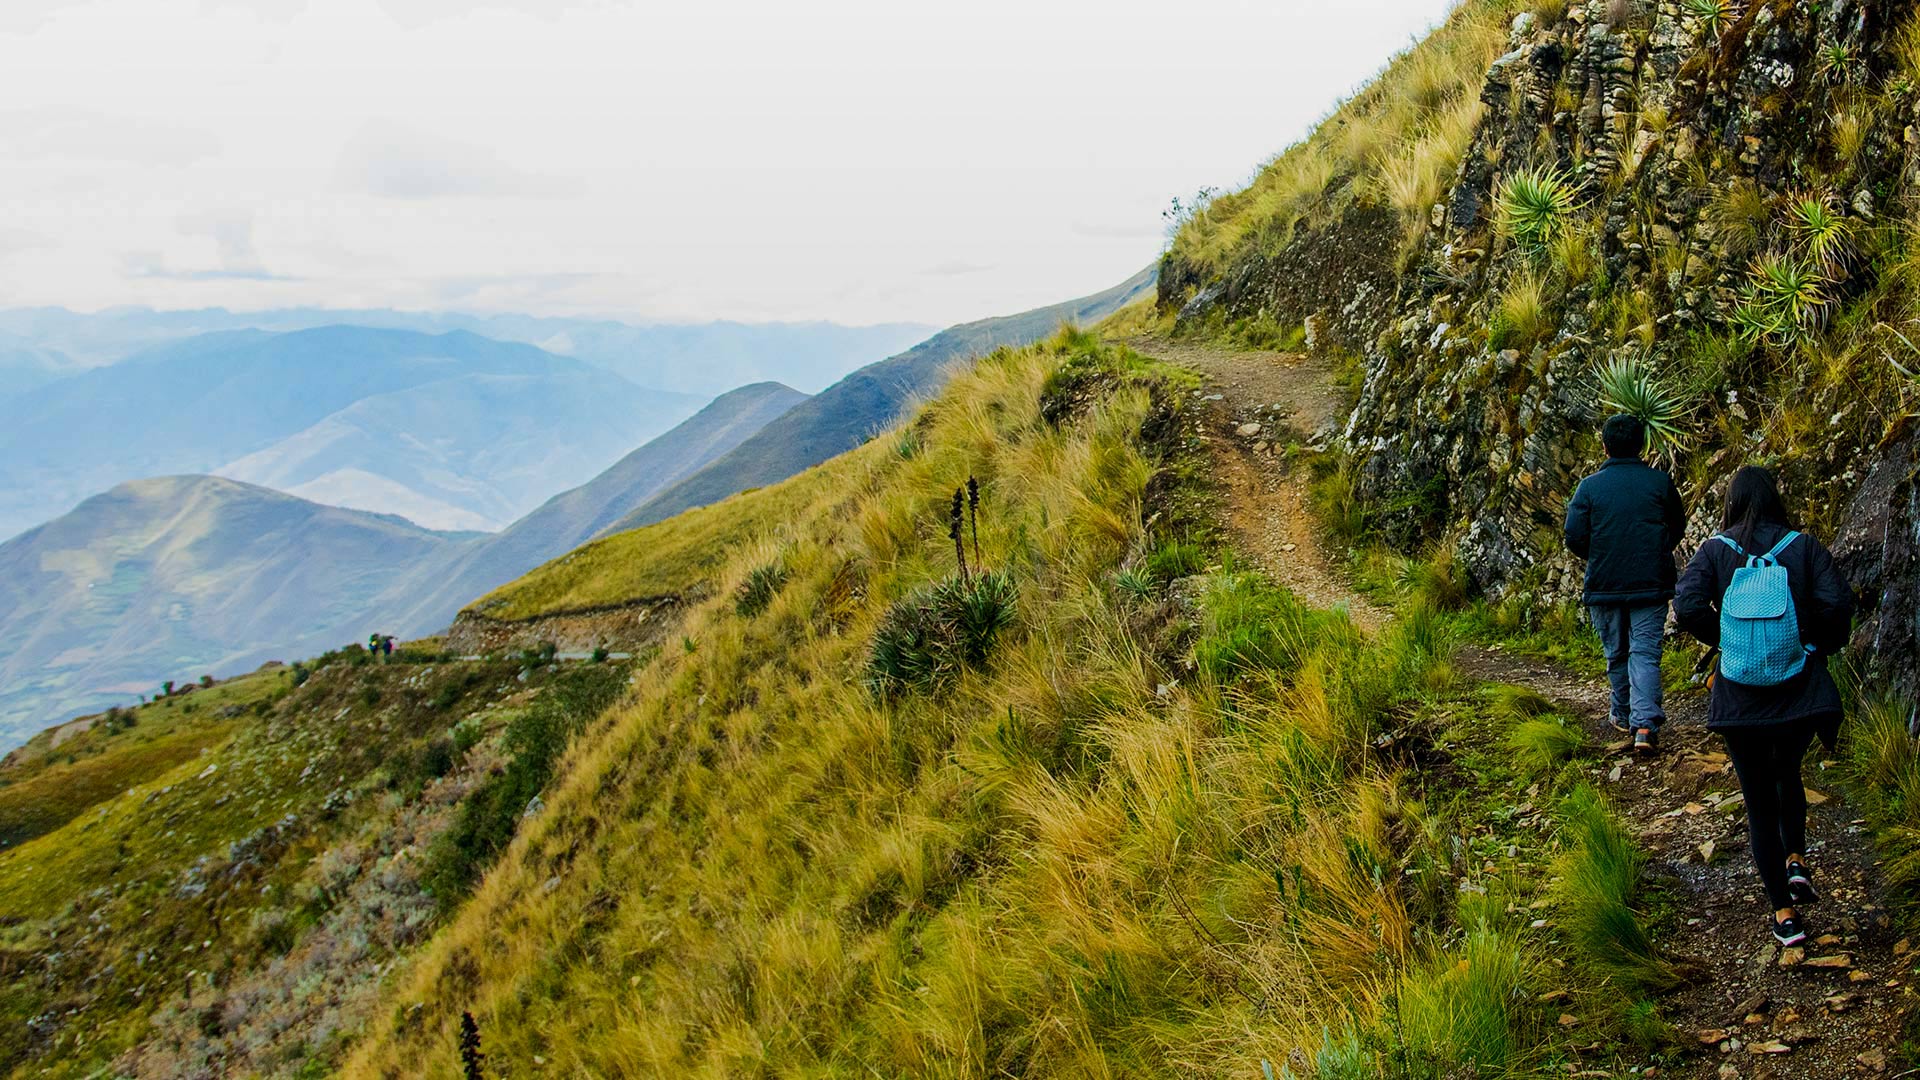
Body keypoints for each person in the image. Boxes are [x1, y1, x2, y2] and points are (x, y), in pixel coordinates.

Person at [1674, 466, 1853, 948]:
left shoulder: (1715, 550)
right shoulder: (1803, 546)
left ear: (1731, 502)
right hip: (1798, 695)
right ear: (1775, 498)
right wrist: (1811, 644)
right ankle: (1796, 857)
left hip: (1739, 700)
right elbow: (1838, 604)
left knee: (1757, 800)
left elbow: (1687, 606)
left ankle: (1784, 914)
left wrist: (1728, 643)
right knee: (1788, 772)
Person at [1564, 413, 1687, 753]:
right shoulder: (1660, 483)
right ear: (1642, 445)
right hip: (1651, 583)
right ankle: (1644, 726)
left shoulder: (1588, 487)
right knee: (1645, 653)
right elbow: (1677, 526)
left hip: (1604, 583)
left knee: (1616, 653)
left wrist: (1600, 553)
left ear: (1604, 447)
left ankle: (1621, 714)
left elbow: (1574, 537)